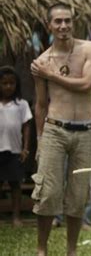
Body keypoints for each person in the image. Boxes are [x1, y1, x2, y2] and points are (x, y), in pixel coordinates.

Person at [30, 2, 91, 256]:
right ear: (49, 25)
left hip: (86, 130)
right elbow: (40, 105)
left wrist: (53, 75)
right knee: (48, 193)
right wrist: (39, 139)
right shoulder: (41, 62)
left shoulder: (90, 49)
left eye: (67, 20)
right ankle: (42, 249)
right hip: (54, 130)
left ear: (74, 22)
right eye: (58, 21)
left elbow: (86, 84)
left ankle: (71, 250)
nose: (63, 26)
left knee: (79, 195)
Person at [0, 66, 32, 227]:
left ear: (16, 85)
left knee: (15, 185)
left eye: (11, 83)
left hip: (14, 150)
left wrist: (25, 148)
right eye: (4, 83)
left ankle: (16, 217)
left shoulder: (21, 104)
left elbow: (26, 126)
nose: (8, 86)